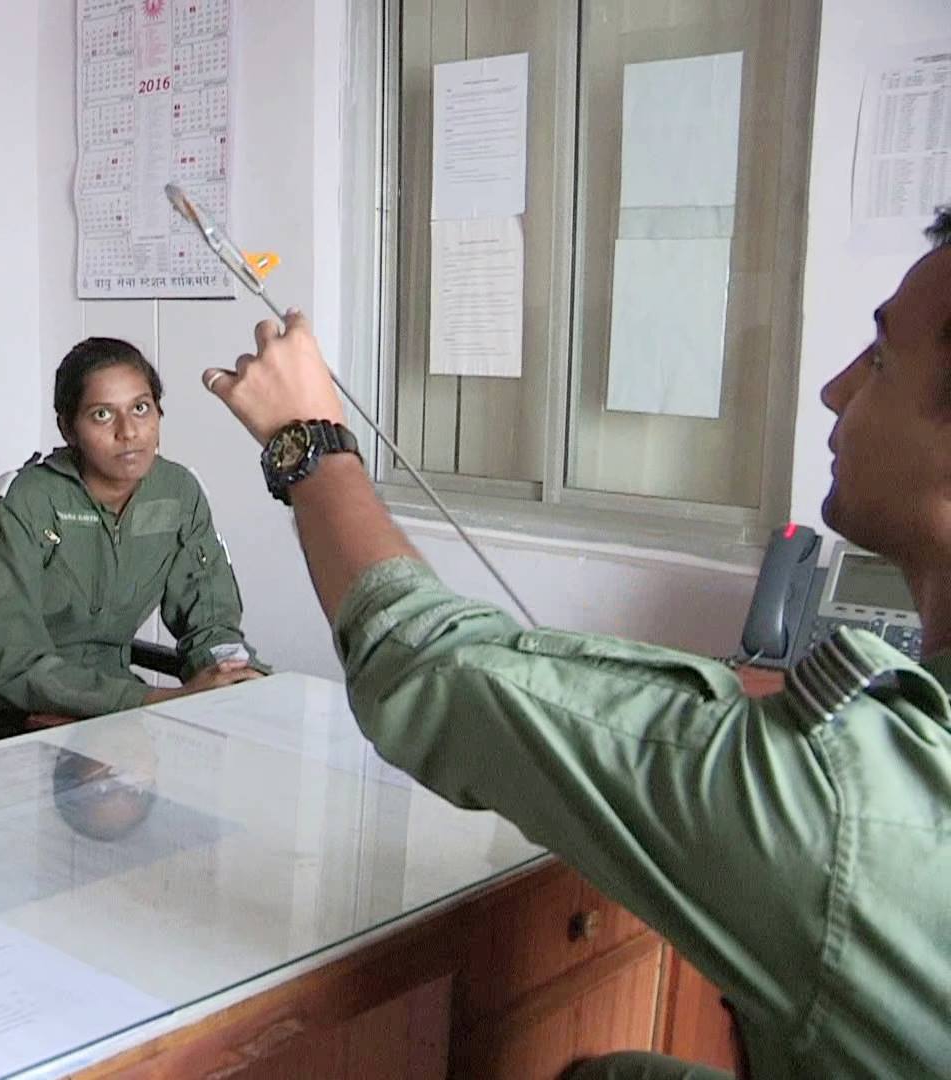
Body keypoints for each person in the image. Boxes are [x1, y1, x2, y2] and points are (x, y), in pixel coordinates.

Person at [196, 210, 951, 1079]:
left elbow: (426, 664)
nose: (837, 389)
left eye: (884, 360)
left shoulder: (854, 807)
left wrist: (310, 444)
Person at [0, 337, 264, 721]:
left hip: (122, 701)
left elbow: (210, 622)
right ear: (68, 429)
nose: (129, 431)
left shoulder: (177, 493)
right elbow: (10, 664)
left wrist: (233, 673)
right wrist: (156, 700)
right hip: (29, 710)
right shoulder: (24, 502)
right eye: (102, 415)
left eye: (141, 408)